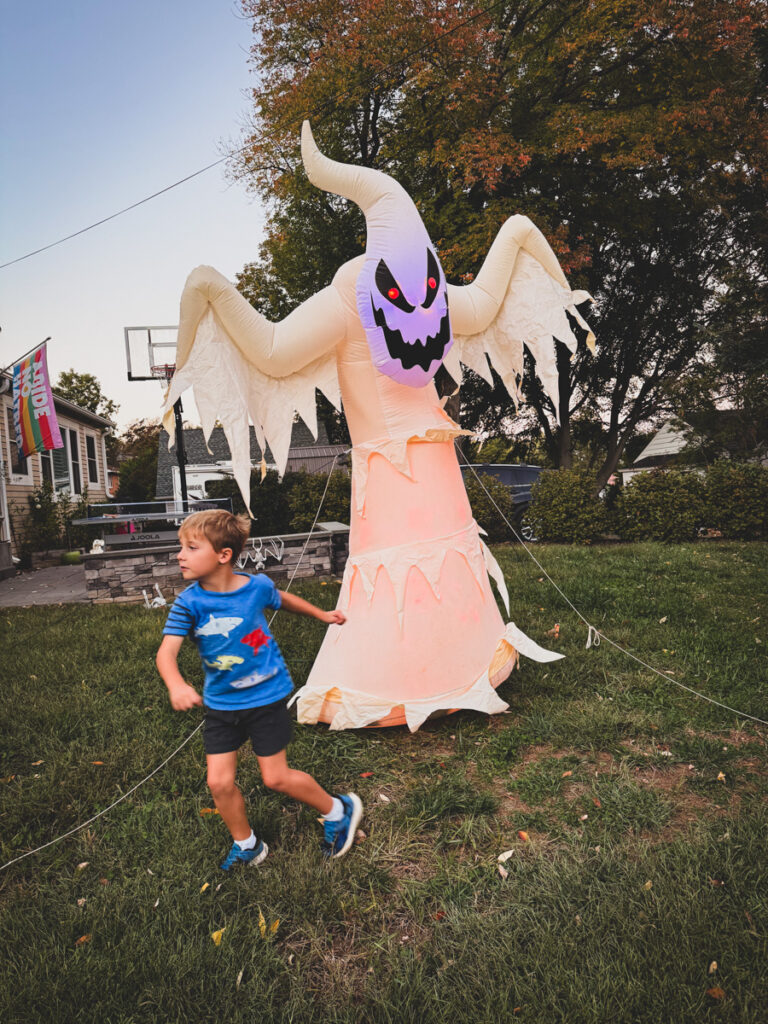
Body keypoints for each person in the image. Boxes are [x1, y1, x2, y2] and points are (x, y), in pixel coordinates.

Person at [156, 509, 362, 870]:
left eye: (191, 547)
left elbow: (282, 599)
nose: (180, 555)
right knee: (219, 783)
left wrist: (322, 615)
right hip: (221, 706)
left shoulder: (256, 588)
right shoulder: (189, 603)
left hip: (265, 698)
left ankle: (338, 810)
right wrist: (176, 684)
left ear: (224, 555)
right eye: (181, 547)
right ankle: (247, 844)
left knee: (276, 777)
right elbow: (165, 653)